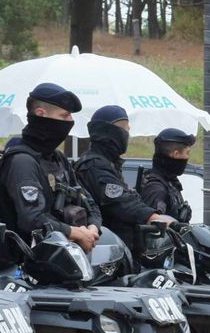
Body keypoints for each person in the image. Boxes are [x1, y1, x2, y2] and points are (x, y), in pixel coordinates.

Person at [0, 83, 101, 252]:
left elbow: (88, 201)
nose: (70, 122)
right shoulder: (22, 161)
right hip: (32, 264)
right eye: (64, 116)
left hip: (68, 257)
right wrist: (74, 233)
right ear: (41, 114)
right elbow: (31, 220)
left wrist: (93, 228)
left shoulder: (58, 158)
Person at [75, 105, 175, 255]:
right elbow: (121, 202)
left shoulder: (109, 164)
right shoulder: (94, 166)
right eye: (124, 129)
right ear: (109, 131)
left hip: (122, 249)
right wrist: (153, 217)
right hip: (106, 253)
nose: (127, 134)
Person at [138, 127, 196, 223]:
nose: (188, 157)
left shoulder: (169, 183)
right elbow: (154, 231)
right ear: (175, 154)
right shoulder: (156, 189)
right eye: (187, 153)